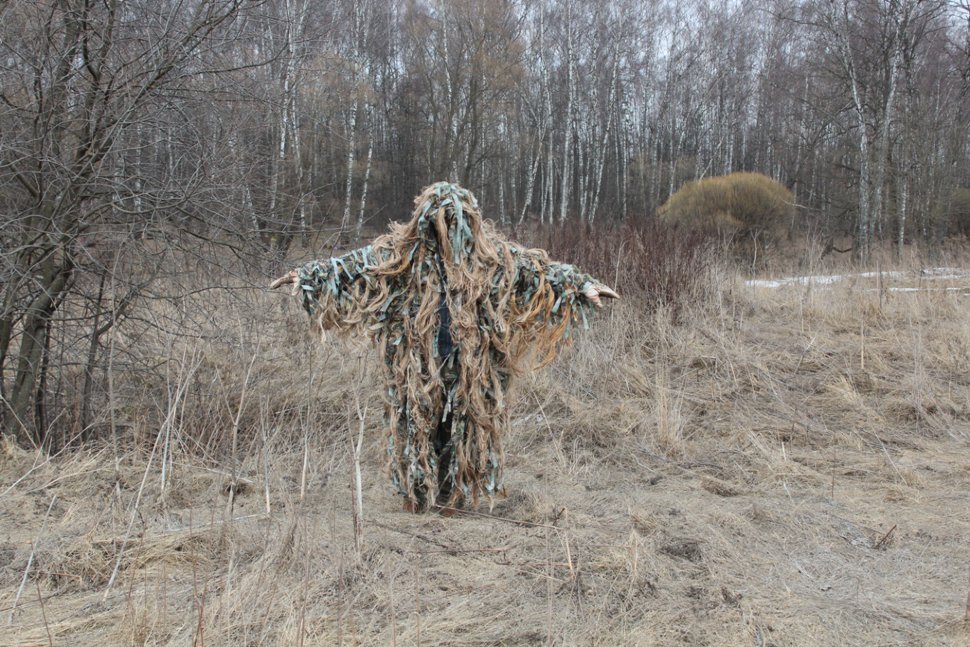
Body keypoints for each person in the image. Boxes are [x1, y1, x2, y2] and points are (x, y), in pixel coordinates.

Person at [271, 182, 618, 513]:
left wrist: (582, 285)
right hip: (416, 362)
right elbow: (353, 266)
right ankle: (417, 495)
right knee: (415, 425)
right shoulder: (402, 255)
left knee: (465, 428)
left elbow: (536, 269)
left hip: (470, 363)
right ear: (426, 220)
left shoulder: (489, 256)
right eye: (442, 220)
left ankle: (454, 496)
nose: (449, 228)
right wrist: (309, 276)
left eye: (457, 221)